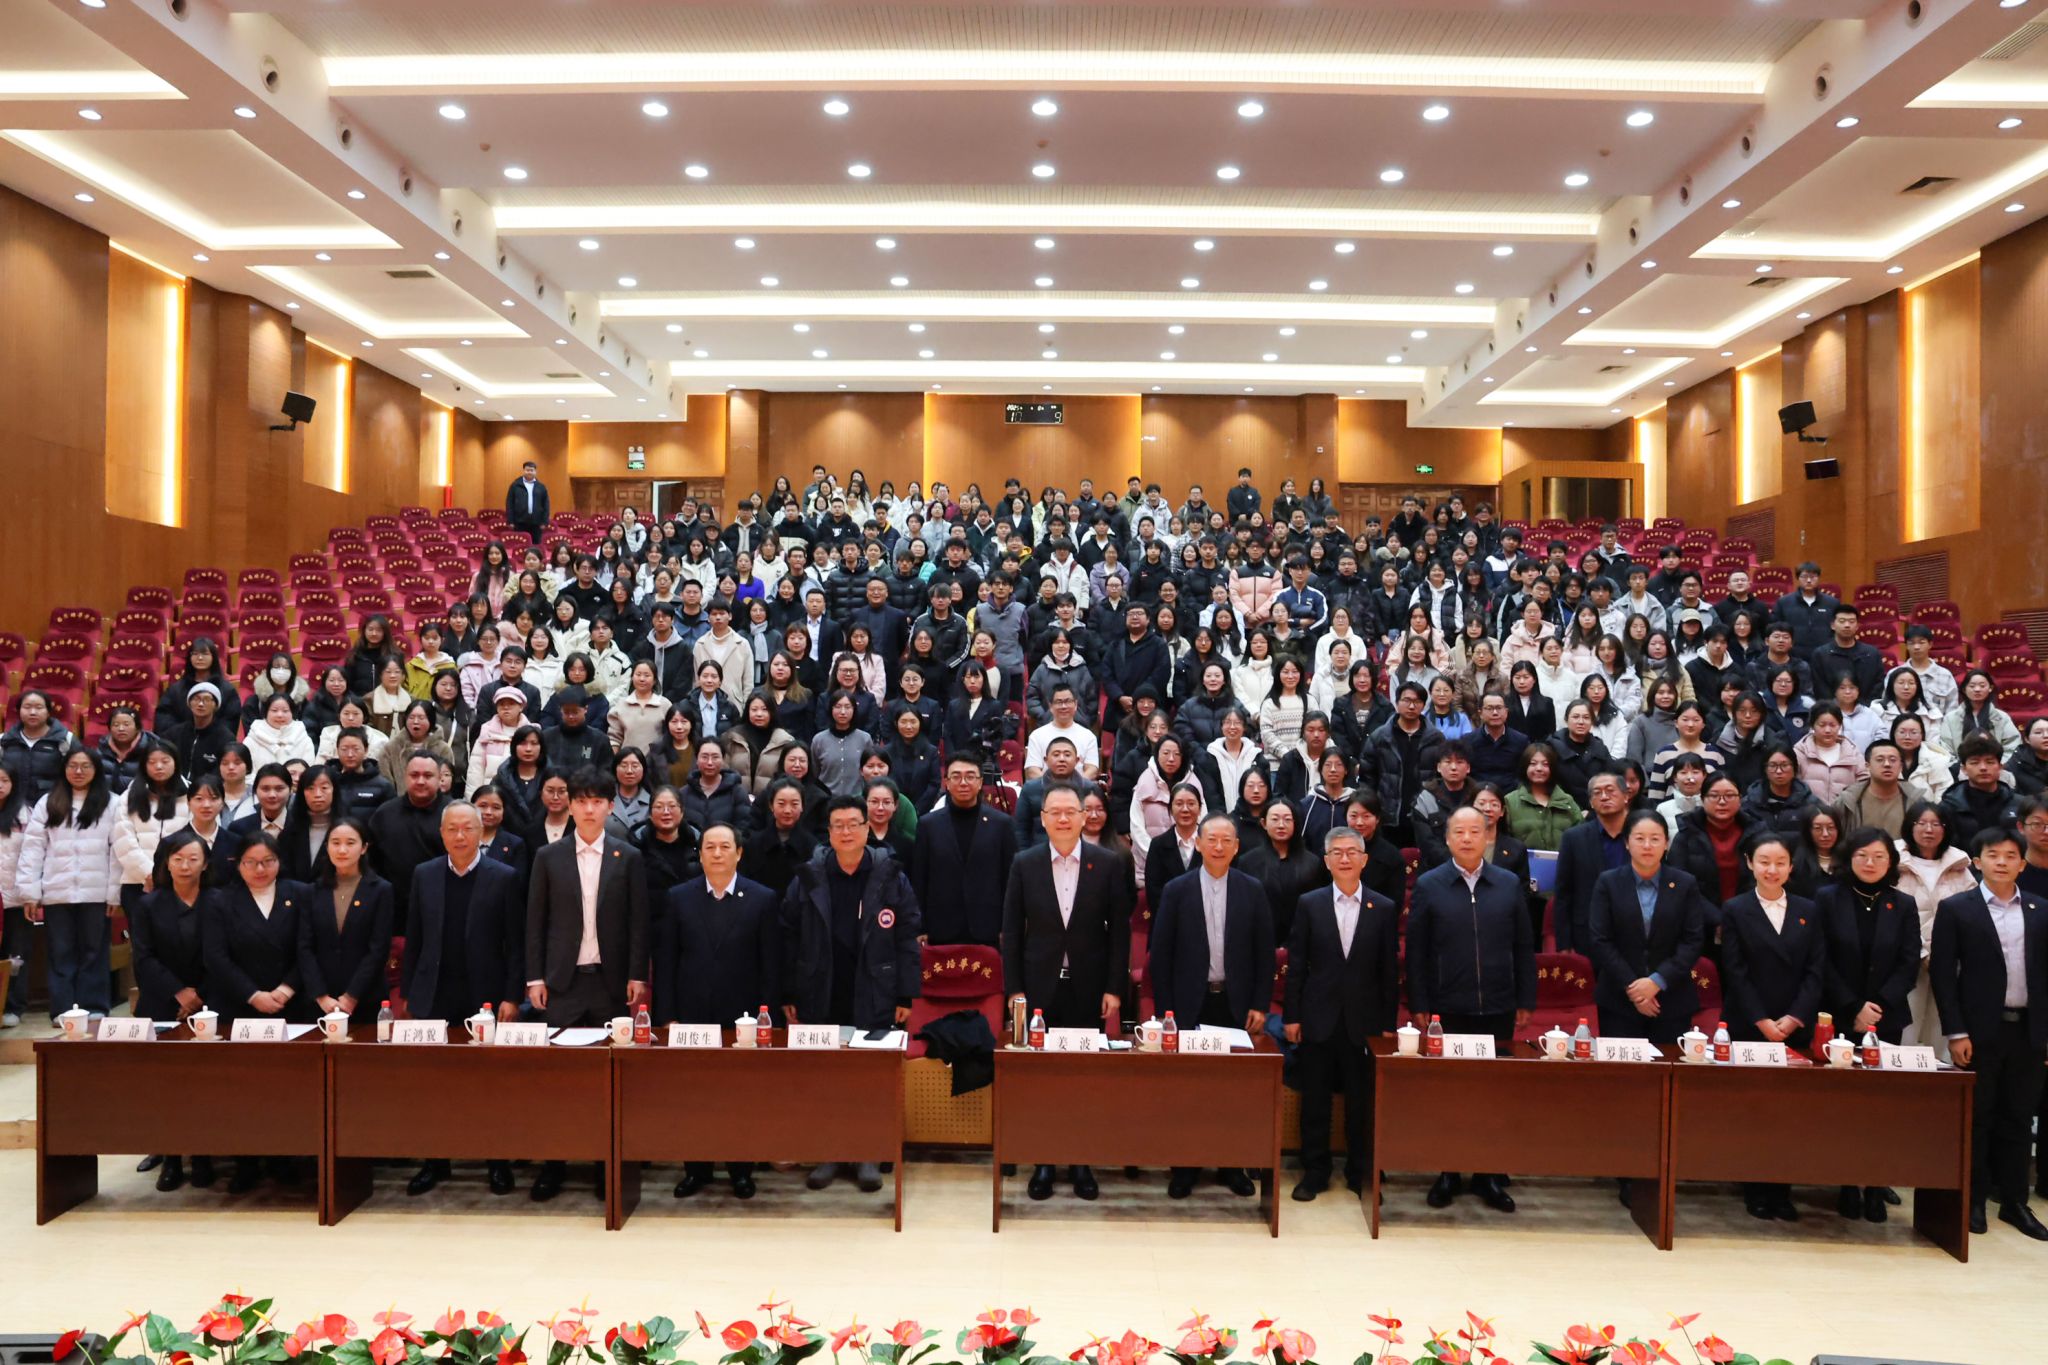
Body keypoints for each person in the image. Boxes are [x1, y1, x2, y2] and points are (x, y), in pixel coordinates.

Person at [780, 794, 922, 1193]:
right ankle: (830, 1151)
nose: (846, 832)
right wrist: (788, 991)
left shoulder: (890, 875)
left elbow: (908, 937)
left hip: (875, 986)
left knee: (869, 1075)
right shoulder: (809, 876)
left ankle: (868, 1154)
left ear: (867, 829)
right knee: (827, 1074)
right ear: (828, 832)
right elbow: (788, 936)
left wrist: (905, 995)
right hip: (821, 986)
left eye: (853, 824)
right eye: (838, 825)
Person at [1000, 783, 1134, 1201]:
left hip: (1087, 988)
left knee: (1082, 1078)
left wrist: (1114, 988)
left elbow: (1120, 933)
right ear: (1042, 819)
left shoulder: (1107, 863)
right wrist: (1014, 989)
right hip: (1038, 988)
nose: (1062, 818)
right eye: (1053, 812)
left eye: (1069, 811)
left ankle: (1081, 1161)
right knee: (1042, 1079)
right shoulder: (1024, 863)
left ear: (1083, 817)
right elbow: (1011, 933)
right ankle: (1043, 1160)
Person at [524, 766, 650, 1201]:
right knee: (558, 1081)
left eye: (598, 801)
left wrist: (636, 974)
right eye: (582, 801)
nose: (590, 809)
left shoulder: (627, 856)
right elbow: (535, 921)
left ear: (611, 807)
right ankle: (554, 1164)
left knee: (607, 1079)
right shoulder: (548, 857)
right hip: (562, 982)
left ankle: (604, 1164)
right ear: (570, 806)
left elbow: (638, 922)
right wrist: (535, 976)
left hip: (610, 983)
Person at [1406, 806, 1536, 1212]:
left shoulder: (1508, 883)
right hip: (1447, 1007)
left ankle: (1487, 1174)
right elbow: (1416, 951)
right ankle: (1447, 1171)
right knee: (1449, 1093)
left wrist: (1525, 998)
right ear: (1447, 839)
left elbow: (1523, 946)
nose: (1466, 838)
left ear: (1487, 837)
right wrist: (1420, 1002)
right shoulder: (1429, 885)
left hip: (1498, 1005)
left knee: (1492, 1093)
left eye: (1475, 831)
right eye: (1459, 832)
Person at [1147, 812, 1276, 1199]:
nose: (1219, 847)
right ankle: (1184, 1166)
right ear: (1199, 844)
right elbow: (1160, 955)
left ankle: (1231, 1164)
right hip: (1189, 1004)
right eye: (1212, 840)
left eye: (1226, 841)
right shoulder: (1177, 889)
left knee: (1232, 1090)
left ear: (1237, 847)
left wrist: (1260, 1003)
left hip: (1235, 1005)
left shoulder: (1252, 889)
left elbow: (1264, 953)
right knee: (1187, 1090)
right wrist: (1167, 1013)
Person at [1930, 826, 2048, 1240]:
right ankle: (1973, 1200)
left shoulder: (2040, 909)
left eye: (2010, 855)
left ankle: (2014, 1203)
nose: (2002, 862)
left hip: (2029, 1032)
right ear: (1978, 862)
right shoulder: (1957, 909)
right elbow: (1943, 975)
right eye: (1993, 855)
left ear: (2022, 863)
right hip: (1979, 1032)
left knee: (2019, 1118)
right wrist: (1956, 1032)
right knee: (1977, 1118)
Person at [658, 822, 778, 1201]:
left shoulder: (762, 898)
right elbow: (666, 961)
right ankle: (696, 1169)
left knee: (740, 1097)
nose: (717, 853)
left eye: (725, 846)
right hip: (691, 1014)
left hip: (742, 1019)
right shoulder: (679, 897)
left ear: (739, 853)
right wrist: (668, 1015)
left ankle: (741, 1171)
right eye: (709, 847)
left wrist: (766, 1017)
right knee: (694, 1097)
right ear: (700, 854)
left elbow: (771, 965)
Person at [1284, 826, 1399, 1202]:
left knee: (1360, 1104)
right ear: (1326, 860)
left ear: (1364, 860)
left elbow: (1388, 973)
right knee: (1315, 1102)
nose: (1345, 858)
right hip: (1318, 1018)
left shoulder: (1383, 907)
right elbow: (1297, 965)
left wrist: (1387, 1025)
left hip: (1364, 1022)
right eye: (1337, 852)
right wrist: (1292, 1016)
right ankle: (1315, 1172)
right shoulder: (1310, 903)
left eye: (1352, 852)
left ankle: (1359, 1171)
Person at [1718, 830, 1828, 1218]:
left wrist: (1794, 1018)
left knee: (1790, 1111)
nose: (1772, 869)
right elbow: (1734, 971)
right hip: (1750, 1023)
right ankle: (1754, 1187)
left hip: (1794, 1025)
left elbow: (1816, 970)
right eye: (1764, 862)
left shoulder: (1808, 909)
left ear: (1791, 867)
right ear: (1750, 864)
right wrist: (1763, 1021)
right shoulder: (1735, 909)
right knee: (1753, 1109)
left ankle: (1783, 1189)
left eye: (1780, 863)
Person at [1817, 826, 1923, 1223]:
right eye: (1862, 855)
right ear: (1849, 858)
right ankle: (1846, 1182)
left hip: (1886, 1018)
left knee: (1881, 1106)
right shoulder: (1828, 898)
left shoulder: (1903, 903)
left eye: (1879, 856)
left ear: (1891, 862)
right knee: (1843, 1105)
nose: (1870, 862)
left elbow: (1909, 962)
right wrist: (1853, 1006)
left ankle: (1877, 1185)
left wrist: (1877, 1006)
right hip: (1839, 1017)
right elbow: (1820, 959)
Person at [130, 829, 218, 1189]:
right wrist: (179, 993)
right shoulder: (148, 905)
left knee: (206, 1085)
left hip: (210, 1005)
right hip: (161, 1002)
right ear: (166, 863)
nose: (185, 866)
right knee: (164, 1084)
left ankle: (203, 1155)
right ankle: (170, 1158)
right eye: (178, 859)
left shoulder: (219, 902)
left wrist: (199, 996)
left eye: (192, 859)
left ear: (205, 863)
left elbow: (225, 955)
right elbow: (144, 957)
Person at [18, 744, 121, 1023]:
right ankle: (63, 1008)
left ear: (96, 770)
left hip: (96, 892)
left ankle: (94, 1006)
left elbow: (117, 850)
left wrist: (114, 894)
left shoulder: (111, 803)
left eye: (86, 766)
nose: (78, 771)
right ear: (63, 769)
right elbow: (32, 849)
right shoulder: (48, 802)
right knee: (60, 953)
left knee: (94, 952)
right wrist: (30, 892)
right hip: (57, 892)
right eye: (73, 766)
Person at [1586, 809, 1709, 1043]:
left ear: (1666, 843)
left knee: (1668, 1065)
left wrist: (1656, 981)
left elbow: (1692, 941)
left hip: (1672, 998)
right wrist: (1633, 988)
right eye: (1639, 838)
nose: (1647, 845)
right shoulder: (1608, 882)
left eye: (1655, 839)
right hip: (1618, 1000)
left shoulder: (1685, 883)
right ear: (1626, 842)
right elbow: (1600, 939)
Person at [295, 816, 394, 1027]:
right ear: (327, 846)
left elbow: (378, 949)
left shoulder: (381, 890)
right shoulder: (312, 891)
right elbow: (304, 947)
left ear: (364, 848)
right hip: (321, 1001)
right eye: (335, 843)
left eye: (350, 843)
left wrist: (351, 996)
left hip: (366, 998)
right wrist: (321, 996)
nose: (342, 850)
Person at [910, 752, 1017, 946]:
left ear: (980, 782)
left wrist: (1007, 926)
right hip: (941, 927)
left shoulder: (1002, 824)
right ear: (946, 782)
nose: (963, 782)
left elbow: (1010, 879)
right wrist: (921, 926)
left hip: (989, 927)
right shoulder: (928, 825)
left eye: (970, 776)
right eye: (956, 776)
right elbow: (919, 879)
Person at [506, 459, 551, 543]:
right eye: (527, 470)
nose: (529, 472)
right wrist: (510, 521)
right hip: (519, 522)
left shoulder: (541, 487)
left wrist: (544, 522)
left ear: (535, 472)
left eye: (532, 470)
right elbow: (510, 504)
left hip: (536, 523)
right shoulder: (515, 485)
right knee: (520, 544)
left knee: (536, 545)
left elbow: (546, 505)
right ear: (523, 471)